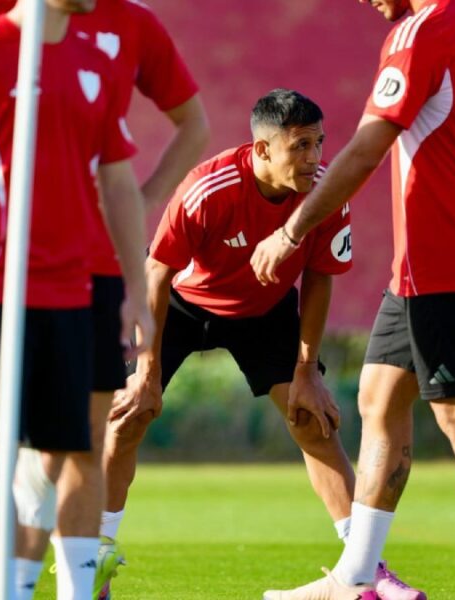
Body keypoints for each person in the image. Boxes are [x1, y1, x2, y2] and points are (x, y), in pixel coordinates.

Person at [0, 1, 208, 594]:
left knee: (71, 449)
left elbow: (116, 177)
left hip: (76, 291)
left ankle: (65, 587)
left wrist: (136, 291)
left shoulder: (94, 57)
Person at [105, 88, 424, 600]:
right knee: (126, 418)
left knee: (312, 423)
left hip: (266, 311)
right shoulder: (208, 189)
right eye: (300, 146)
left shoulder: (324, 194)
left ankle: (365, 572)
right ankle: (93, 561)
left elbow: (320, 278)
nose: (314, 158)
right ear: (262, 150)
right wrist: (145, 374)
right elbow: (155, 274)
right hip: (183, 305)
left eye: (319, 144)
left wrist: (307, 371)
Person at [252, 1, 455, 599]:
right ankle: (355, 580)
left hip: (443, 257)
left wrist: (291, 230)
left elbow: (367, 147)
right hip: (434, 263)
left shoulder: (420, 31)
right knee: (378, 400)